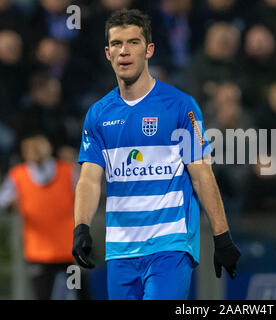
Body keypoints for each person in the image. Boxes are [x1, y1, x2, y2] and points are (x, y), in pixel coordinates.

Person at [72, 8, 241, 300]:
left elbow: (201, 175)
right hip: (120, 249)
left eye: (133, 42)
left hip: (170, 246)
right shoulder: (98, 115)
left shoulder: (180, 106)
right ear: (107, 53)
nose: (124, 51)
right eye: (116, 44)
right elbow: (89, 179)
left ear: (149, 49)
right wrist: (81, 228)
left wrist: (222, 236)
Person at [0, 132, 89, 300]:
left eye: (39, 146)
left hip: (69, 252)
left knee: (79, 293)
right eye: (30, 148)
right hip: (38, 253)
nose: (35, 151)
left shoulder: (67, 170)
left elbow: (87, 192)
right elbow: (4, 201)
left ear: (48, 148)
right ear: (24, 152)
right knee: (42, 295)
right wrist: (13, 204)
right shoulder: (18, 175)